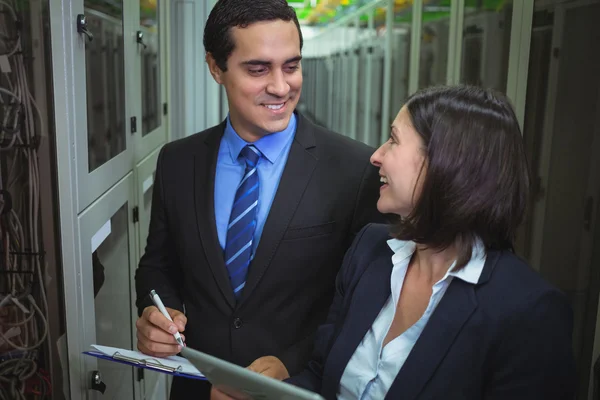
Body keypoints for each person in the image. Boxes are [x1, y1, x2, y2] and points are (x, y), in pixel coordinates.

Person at [133, 0, 382, 398]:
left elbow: (364, 300)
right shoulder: (178, 162)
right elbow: (157, 266)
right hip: (197, 389)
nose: (281, 87)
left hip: (296, 388)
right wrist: (153, 311)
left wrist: (293, 361)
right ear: (216, 67)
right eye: (258, 69)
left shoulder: (353, 169)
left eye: (291, 66)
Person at [282, 85, 576, 399]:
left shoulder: (529, 312)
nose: (376, 156)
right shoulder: (369, 249)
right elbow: (321, 375)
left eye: (393, 140)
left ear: (446, 164)